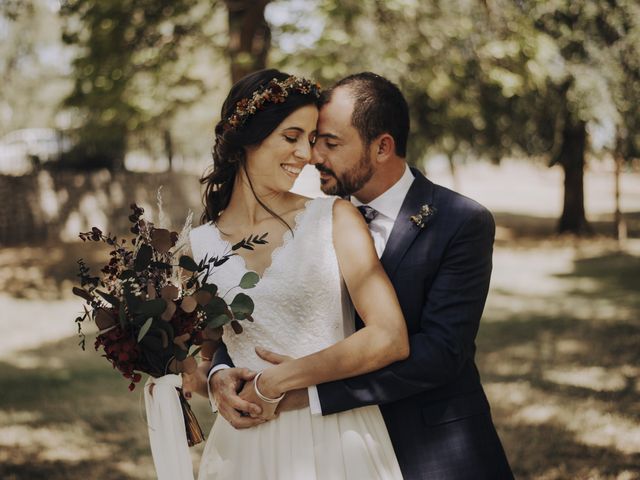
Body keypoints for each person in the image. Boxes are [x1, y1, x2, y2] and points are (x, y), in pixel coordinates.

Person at [209, 72, 514, 479]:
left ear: (382, 147)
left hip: (431, 447)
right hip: (326, 450)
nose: (313, 156)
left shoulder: (460, 221)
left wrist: (309, 392)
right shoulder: (314, 220)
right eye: (313, 140)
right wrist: (218, 374)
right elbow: (261, 311)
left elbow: (441, 354)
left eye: (330, 143)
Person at [187, 69, 409, 479]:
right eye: (291, 138)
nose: (306, 155)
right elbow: (201, 359)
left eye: (310, 140)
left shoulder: (334, 218)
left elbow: (389, 336)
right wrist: (215, 382)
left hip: (336, 442)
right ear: (247, 139)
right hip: (243, 448)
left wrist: (275, 383)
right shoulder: (197, 246)